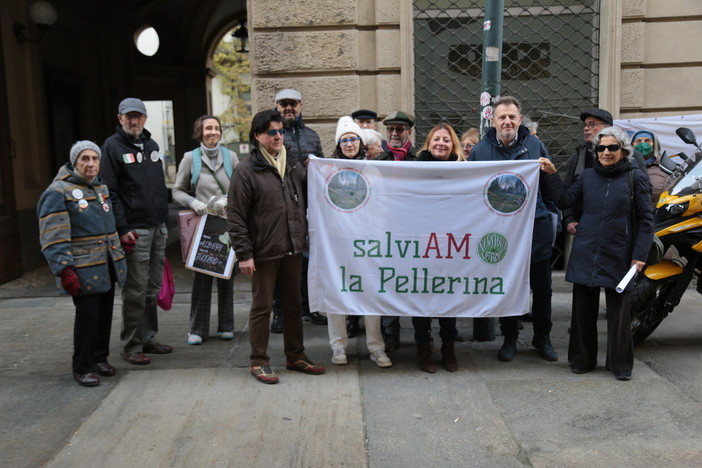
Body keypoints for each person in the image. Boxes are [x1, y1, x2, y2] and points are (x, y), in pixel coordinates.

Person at [541, 127, 653, 381]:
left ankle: (620, 364)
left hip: (619, 253)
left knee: (619, 314)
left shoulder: (636, 178)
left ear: (623, 151)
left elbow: (647, 220)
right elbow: (564, 199)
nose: (605, 152)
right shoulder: (587, 177)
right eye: (601, 148)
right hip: (586, 250)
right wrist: (551, 175)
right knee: (582, 312)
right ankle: (582, 360)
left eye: (612, 148)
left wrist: (640, 254)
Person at [227, 109, 325, 384]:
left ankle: (296, 356)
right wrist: (244, 254)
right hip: (263, 252)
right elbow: (235, 216)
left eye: (280, 131)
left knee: (294, 305)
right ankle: (259, 361)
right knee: (262, 306)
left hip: (293, 248)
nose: (278, 136)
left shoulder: (294, 166)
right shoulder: (246, 171)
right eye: (272, 132)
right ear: (258, 136)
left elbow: (313, 194)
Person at [469, 96, 558, 363]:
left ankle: (542, 336)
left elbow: (550, 190)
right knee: (506, 285)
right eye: (502, 117)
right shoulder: (480, 151)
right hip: (498, 232)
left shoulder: (534, 145)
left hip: (534, 229)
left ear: (520, 119)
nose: (507, 121)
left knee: (542, 287)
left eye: (512, 117)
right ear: (493, 120)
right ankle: (509, 336)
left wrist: (552, 173)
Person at [38, 141, 127, 387]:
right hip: (83, 267)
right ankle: (82, 366)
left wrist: (119, 245)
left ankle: (100, 358)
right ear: (74, 162)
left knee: (104, 314)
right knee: (87, 316)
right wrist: (64, 268)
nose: (90, 164)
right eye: (84, 159)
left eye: (94, 159)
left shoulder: (100, 186)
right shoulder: (58, 191)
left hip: (106, 265)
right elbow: (53, 234)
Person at [100, 97, 172, 366]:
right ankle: (131, 346)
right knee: (135, 290)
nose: (134, 121)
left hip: (157, 227)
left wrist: (165, 222)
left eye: (138, 116)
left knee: (152, 288)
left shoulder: (152, 145)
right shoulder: (112, 147)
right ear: (119, 118)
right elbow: (111, 192)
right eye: (129, 116)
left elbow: (157, 186)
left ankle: (148, 338)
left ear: (144, 118)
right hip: (135, 230)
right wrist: (122, 228)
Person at [325, 117, 392, 368]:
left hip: (367, 242)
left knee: (370, 294)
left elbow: (382, 207)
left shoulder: (372, 171)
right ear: (338, 144)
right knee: (336, 293)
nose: (349, 144)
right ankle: (338, 346)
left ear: (360, 142)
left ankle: (376, 347)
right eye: (344, 140)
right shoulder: (328, 171)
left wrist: (377, 235)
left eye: (353, 139)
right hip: (337, 244)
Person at [172, 115, 239, 345]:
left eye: (217, 128)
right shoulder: (190, 159)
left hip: (226, 225)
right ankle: (197, 329)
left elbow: (242, 188)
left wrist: (228, 199)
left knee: (226, 276)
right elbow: (177, 190)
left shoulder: (231, 157)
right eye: (208, 128)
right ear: (200, 132)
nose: (213, 132)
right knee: (201, 278)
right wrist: (192, 203)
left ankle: (226, 326)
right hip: (201, 226)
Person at [562, 109, 650, 266]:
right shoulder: (579, 156)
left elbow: (644, 194)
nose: (586, 128)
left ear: (608, 126)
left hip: (618, 237)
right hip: (584, 235)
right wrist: (569, 218)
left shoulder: (633, 156)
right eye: (584, 125)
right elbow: (567, 191)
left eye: (592, 124)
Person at [413, 122, 466, 373]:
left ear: (452, 145)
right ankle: (423, 349)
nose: (440, 144)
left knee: (447, 296)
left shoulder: (464, 171)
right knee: (421, 297)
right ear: (429, 143)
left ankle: (449, 348)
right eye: (436, 139)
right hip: (421, 243)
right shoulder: (414, 168)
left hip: (450, 244)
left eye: (446, 140)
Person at [272, 89, 327, 327]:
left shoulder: (312, 136)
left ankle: (308, 307)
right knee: (280, 259)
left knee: (306, 260)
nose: (288, 108)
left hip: (308, 206)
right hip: (281, 205)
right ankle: (279, 313)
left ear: (300, 105)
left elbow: (324, 168)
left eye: (292, 104)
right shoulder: (273, 134)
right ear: (277, 107)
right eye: (283, 104)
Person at [377, 111, 418, 351]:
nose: (394, 134)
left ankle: (422, 335)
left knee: (416, 281)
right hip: (387, 232)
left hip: (414, 231)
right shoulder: (378, 161)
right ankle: (390, 332)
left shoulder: (420, 160)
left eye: (399, 130)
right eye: (390, 129)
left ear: (408, 132)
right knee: (389, 281)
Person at [631, 129, 668, 205]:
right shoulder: (625, 166)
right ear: (632, 145)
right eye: (638, 141)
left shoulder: (665, 167)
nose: (643, 144)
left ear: (654, 144)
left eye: (647, 141)